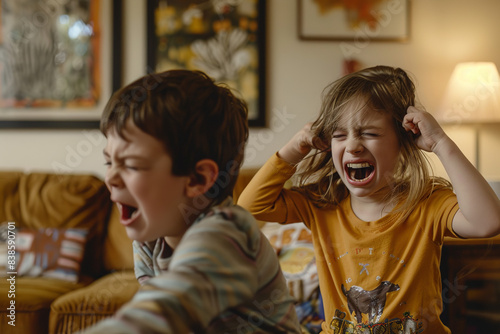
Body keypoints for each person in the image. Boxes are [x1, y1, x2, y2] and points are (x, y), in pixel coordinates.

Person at [237, 65, 500, 333]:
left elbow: (487, 222)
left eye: (369, 133)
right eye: (339, 135)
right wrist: (295, 148)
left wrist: (441, 144)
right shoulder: (321, 203)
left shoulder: (427, 203)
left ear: (403, 142)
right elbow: (250, 206)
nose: (352, 146)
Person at [81, 70, 301, 333]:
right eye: (109, 162)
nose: (110, 178)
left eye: (131, 164)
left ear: (198, 179)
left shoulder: (228, 233)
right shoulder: (149, 238)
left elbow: (164, 312)